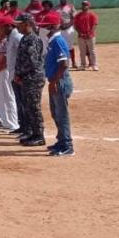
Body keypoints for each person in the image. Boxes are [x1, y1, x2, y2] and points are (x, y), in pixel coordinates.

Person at [44, 15, 75, 156]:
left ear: (52, 26)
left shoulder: (57, 41)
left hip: (60, 80)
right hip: (55, 80)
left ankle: (67, 145)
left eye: (47, 25)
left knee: (61, 114)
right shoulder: (52, 41)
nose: (44, 28)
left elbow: (64, 64)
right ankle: (61, 141)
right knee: (55, 112)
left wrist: (54, 82)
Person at [13, 14, 46, 147]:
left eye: (19, 24)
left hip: (33, 78)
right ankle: (33, 132)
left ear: (27, 23)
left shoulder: (33, 39)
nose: (17, 26)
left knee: (34, 107)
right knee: (28, 107)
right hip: (26, 78)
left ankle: (39, 136)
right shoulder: (24, 39)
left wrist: (20, 73)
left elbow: (33, 62)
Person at [0, 16, 20, 132]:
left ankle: (13, 123)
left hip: (6, 71)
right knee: (1, 96)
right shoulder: (9, 38)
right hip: (1, 70)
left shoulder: (15, 37)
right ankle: (6, 122)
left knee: (9, 96)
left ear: (7, 26)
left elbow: (8, 58)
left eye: (0, 27)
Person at [74, 0, 99, 71]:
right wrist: (80, 33)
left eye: (86, 5)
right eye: (83, 5)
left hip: (90, 36)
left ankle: (94, 65)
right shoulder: (78, 15)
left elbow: (94, 25)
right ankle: (83, 65)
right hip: (81, 36)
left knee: (92, 51)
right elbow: (76, 25)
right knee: (82, 51)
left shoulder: (92, 15)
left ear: (89, 6)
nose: (84, 6)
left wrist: (90, 33)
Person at [55, 0, 78, 69]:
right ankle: (61, 62)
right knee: (59, 45)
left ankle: (73, 62)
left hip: (68, 28)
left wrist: (68, 25)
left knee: (70, 46)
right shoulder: (56, 8)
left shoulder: (71, 7)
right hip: (59, 28)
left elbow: (74, 18)